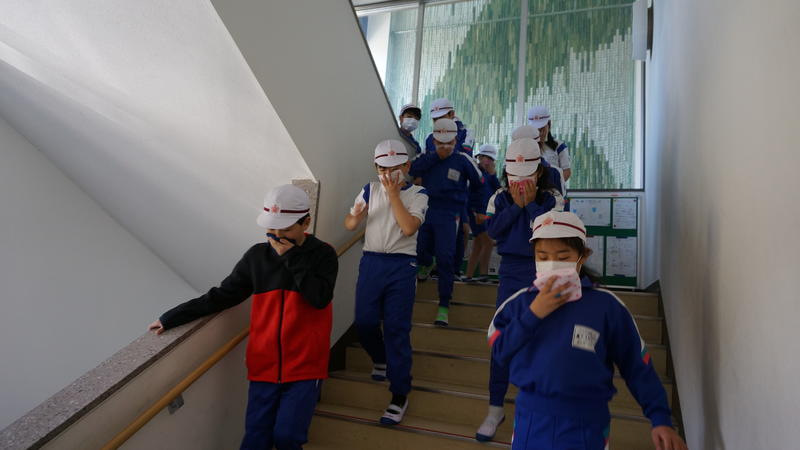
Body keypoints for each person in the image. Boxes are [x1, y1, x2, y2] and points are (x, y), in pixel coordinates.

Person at [148, 184, 338, 450]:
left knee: (287, 437)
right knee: (255, 440)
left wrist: (291, 258)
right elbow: (223, 295)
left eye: (285, 229)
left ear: (305, 223)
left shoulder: (323, 254)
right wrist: (172, 317)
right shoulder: (256, 256)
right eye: (271, 229)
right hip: (264, 366)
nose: (277, 237)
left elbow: (319, 298)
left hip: (305, 366)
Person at [487, 211, 687, 450]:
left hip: (586, 424)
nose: (552, 264)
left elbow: (636, 366)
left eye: (563, 257)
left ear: (582, 257)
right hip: (530, 421)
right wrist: (534, 314)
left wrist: (660, 418)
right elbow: (500, 352)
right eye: (543, 256)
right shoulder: (519, 304)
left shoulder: (606, 306)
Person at [476, 137, 563, 441]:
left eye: (527, 177)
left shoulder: (552, 198)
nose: (520, 184)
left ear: (539, 172)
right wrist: (516, 206)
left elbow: (549, 234)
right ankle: (495, 407)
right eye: (514, 177)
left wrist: (530, 206)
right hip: (511, 274)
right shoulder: (500, 197)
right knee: (504, 339)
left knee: (544, 340)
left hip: (544, 271)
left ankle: (540, 409)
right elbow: (494, 231)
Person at [344, 139, 428, 426]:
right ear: (376, 167)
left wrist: (393, 195)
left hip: (402, 267)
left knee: (396, 329)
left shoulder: (418, 194)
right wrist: (355, 217)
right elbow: (350, 224)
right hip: (371, 263)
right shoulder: (369, 189)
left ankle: (399, 393)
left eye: (394, 168)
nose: (388, 174)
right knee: (364, 322)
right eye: (382, 169)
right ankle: (380, 358)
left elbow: (408, 228)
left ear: (407, 165)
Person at [410, 118, 484, 326]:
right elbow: (412, 170)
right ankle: (426, 263)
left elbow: (479, 183)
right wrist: (436, 157)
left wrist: (476, 209)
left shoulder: (463, 160)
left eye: (449, 143)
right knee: (419, 248)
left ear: (456, 141)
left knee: (445, 257)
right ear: (433, 141)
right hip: (425, 209)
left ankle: (443, 304)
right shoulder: (427, 157)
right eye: (440, 143)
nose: (445, 147)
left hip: (451, 214)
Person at [463, 144, 501, 282]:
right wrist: (474, 212)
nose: (488, 162)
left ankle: (469, 275)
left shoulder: (489, 175)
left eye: (491, 159)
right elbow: (471, 195)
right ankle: (484, 274)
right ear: (480, 157)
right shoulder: (475, 173)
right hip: (476, 213)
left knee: (478, 245)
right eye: (486, 158)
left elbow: (497, 191)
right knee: (488, 243)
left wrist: (493, 175)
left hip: (484, 213)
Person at [528, 106, 572, 182]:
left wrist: (555, 185)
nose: (540, 133)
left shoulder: (559, 146)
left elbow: (567, 172)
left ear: (549, 125)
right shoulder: (527, 147)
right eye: (536, 130)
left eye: (542, 129)